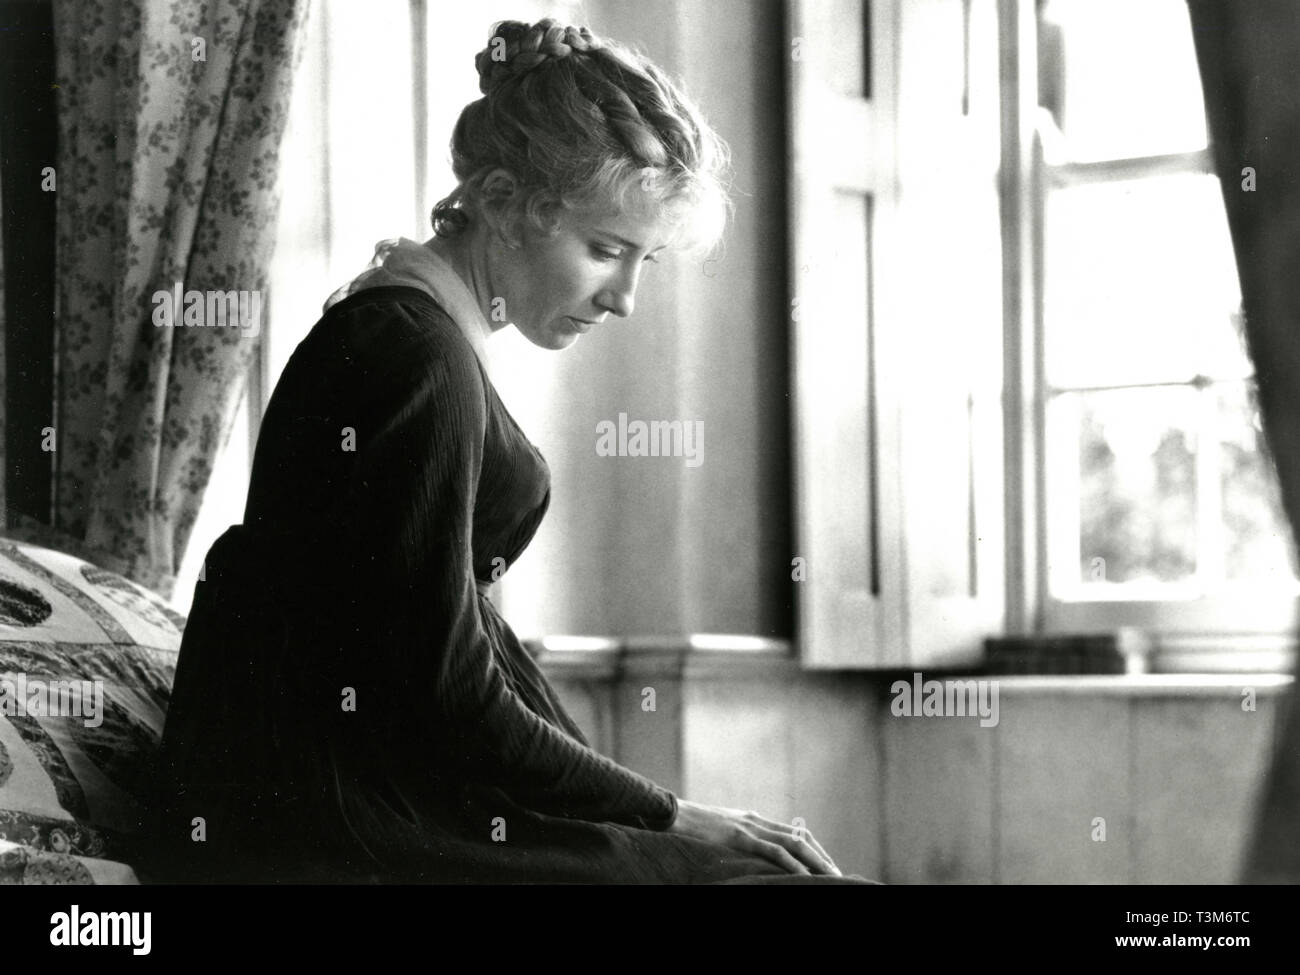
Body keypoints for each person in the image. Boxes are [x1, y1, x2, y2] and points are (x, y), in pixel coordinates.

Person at [151, 17, 868, 884]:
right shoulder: (416, 357)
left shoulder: (417, 328)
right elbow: (445, 695)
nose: (625, 299)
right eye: (606, 250)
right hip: (350, 819)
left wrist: (650, 816)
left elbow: (452, 672)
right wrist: (670, 814)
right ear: (500, 202)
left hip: (390, 788)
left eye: (642, 260)